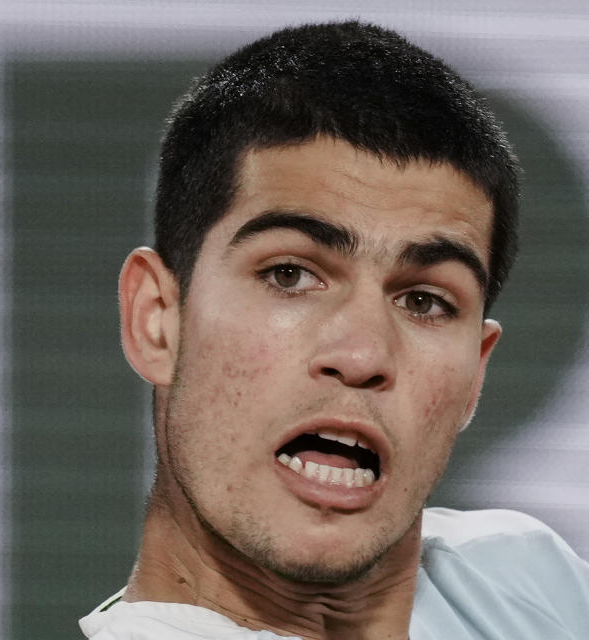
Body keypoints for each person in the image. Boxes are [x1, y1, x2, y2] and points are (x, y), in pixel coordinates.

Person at [79, 20, 589, 640]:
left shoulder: (532, 584)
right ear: (157, 319)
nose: (362, 353)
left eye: (425, 301)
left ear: (477, 372)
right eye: (290, 275)